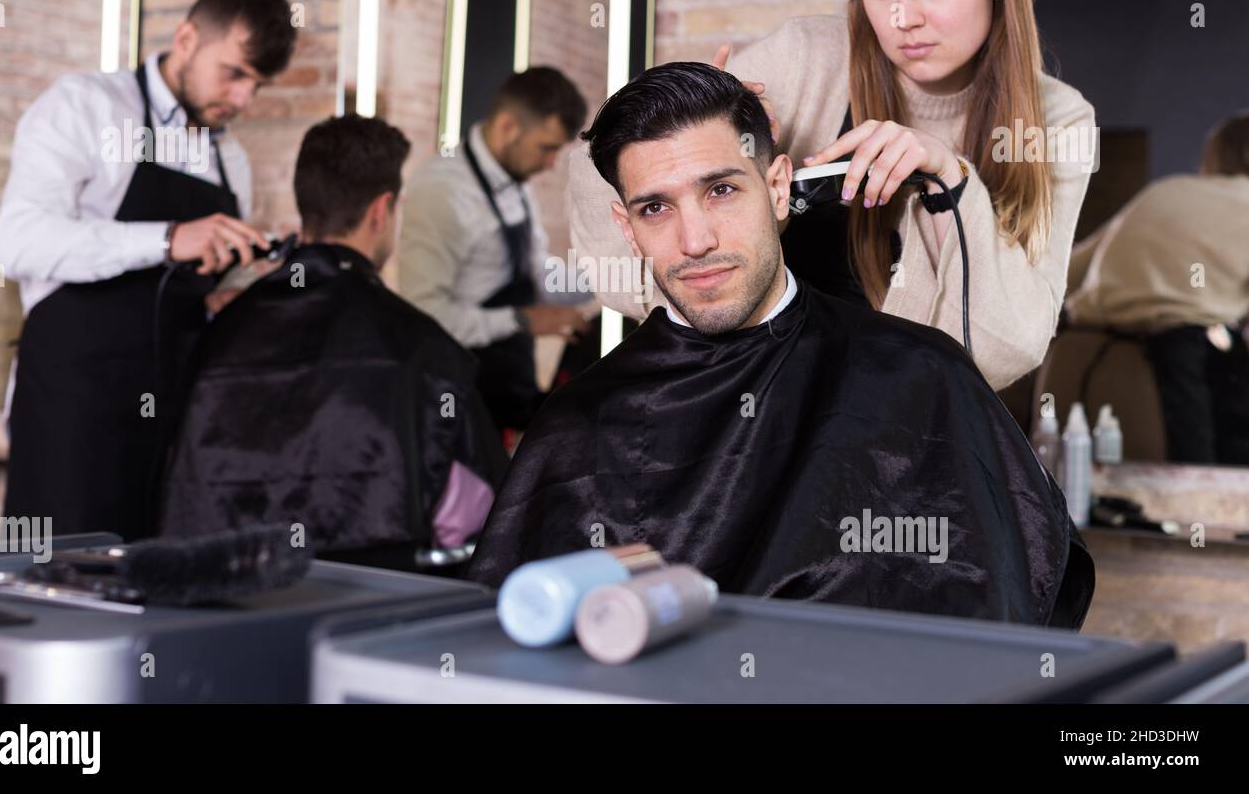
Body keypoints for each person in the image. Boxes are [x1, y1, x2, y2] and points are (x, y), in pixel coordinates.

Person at [468, 62, 1094, 627]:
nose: (695, 240)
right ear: (626, 230)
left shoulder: (921, 375)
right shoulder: (580, 424)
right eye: (656, 208)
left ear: (776, 187)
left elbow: (1006, 614)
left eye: (721, 190)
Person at [567, 0, 1097, 390]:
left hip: (916, 428)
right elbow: (598, 169)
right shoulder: (808, 58)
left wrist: (949, 178)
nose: (903, 18)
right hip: (757, 406)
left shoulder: (1059, 125)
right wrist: (700, 153)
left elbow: (1007, 350)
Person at [0, 0, 296, 540]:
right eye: (234, 74)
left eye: (257, 85)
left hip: (175, 422)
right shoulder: (86, 107)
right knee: (61, 591)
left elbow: (189, 286)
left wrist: (232, 288)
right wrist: (165, 237)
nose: (242, 100)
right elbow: (18, 241)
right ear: (186, 39)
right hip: (73, 416)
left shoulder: (230, 158)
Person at [160, 115, 507, 572]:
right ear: (382, 210)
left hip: (219, 606)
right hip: (372, 618)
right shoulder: (424, 347)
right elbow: (483, 522)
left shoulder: (219, 333)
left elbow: (177, 496)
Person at [398, 67, 593, 433]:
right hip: (456, 396)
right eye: (546, 148)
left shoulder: (515, 184)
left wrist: (614, 276)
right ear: (508, 127)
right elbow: (424, 318)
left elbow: (538, 274)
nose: (551, 163)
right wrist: (522, 320)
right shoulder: (441, 192)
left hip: (507, 383)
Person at [1065, 112, 1249, 465]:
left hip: (1081, 347)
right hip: (1187, 351)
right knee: (1205, 478)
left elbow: (1067, 268)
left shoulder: (1166, 189)